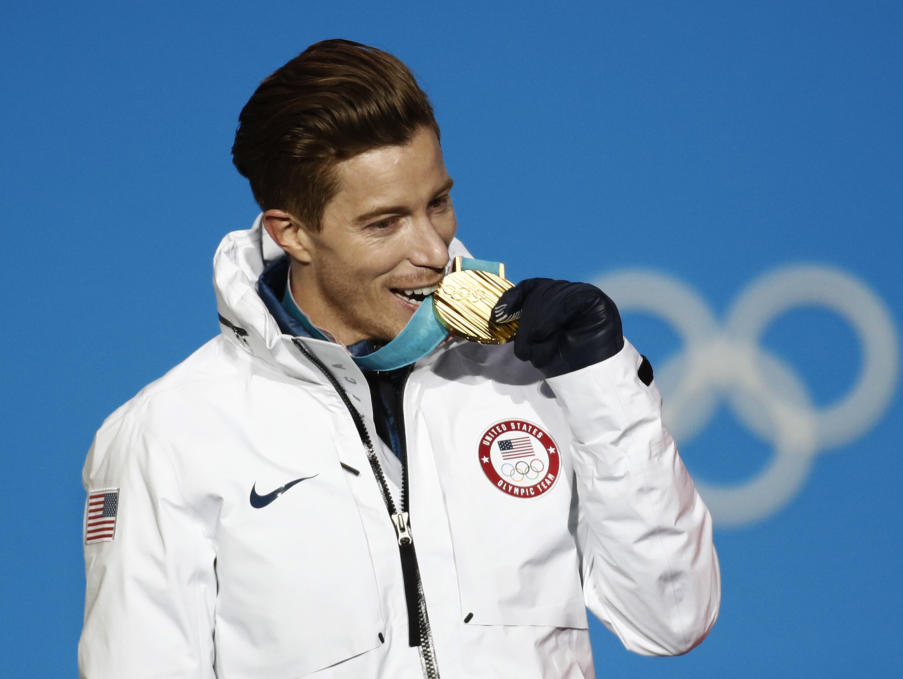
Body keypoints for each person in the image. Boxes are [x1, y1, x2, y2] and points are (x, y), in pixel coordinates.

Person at [79, 39, 720, 678]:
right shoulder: (168, 434)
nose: (434, 250)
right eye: (385, 223)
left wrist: (603, 383)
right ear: (291, 232)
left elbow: (672, 618)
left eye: (436, 203)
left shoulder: (537, 376)